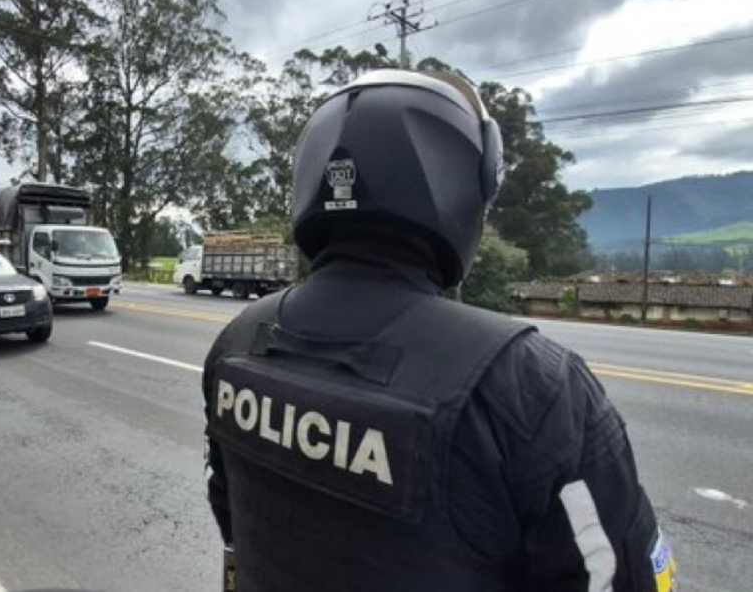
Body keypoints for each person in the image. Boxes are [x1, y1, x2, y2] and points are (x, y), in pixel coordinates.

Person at [202, 69, 674, 592]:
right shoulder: (532, 387)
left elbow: (232, 519)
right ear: (460, 185)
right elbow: (618, 577)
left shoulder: (240, 340)